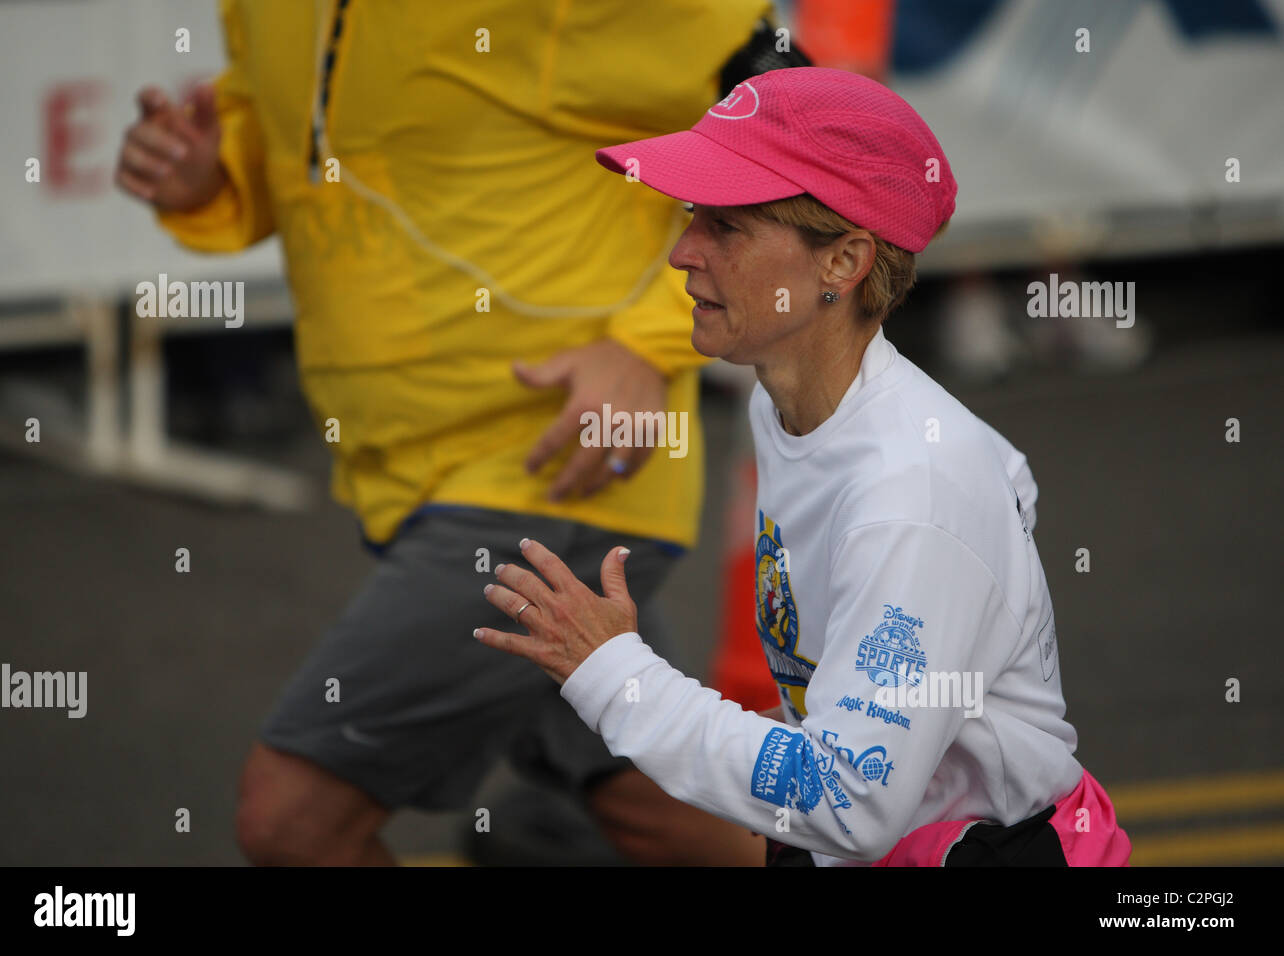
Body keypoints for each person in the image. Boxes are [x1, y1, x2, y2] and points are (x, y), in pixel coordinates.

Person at [114, 0, 802, 865]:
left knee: (291, 820)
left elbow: (799, 131)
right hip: (406, 469)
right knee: (657, 805)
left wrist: (651, 343)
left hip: (552, 471)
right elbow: (303, 135)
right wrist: (210, 177)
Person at [474, 66, 1132, 866]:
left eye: (728, 227)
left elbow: (850, 800)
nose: (682, 253)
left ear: (843, 262)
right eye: (692, 216)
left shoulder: (913, 494)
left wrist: (618, 675)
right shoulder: (784, 402)